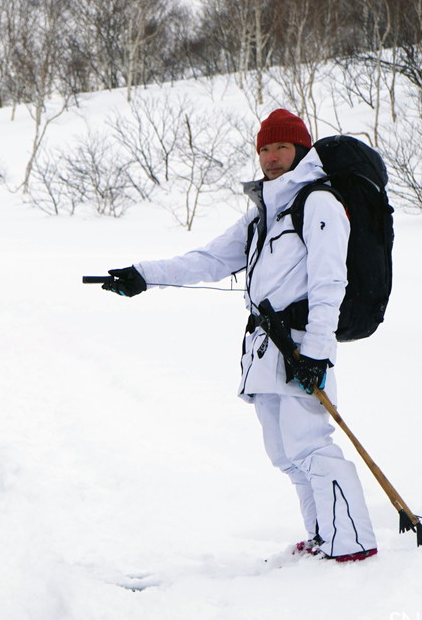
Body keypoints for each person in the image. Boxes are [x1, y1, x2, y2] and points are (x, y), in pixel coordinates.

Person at [101, 108, 377, 563]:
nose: (271, 157)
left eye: (281, 147)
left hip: (301, 344)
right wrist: (142, 275)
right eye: (264, 148)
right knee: (286, 452)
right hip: (265, 348)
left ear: (301, 149)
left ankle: (352, 543)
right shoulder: (265, 212)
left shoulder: (319, 203)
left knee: (311, 444)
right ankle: (323, 535)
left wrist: (318, 353)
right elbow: (208, 260)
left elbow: (331, 283)